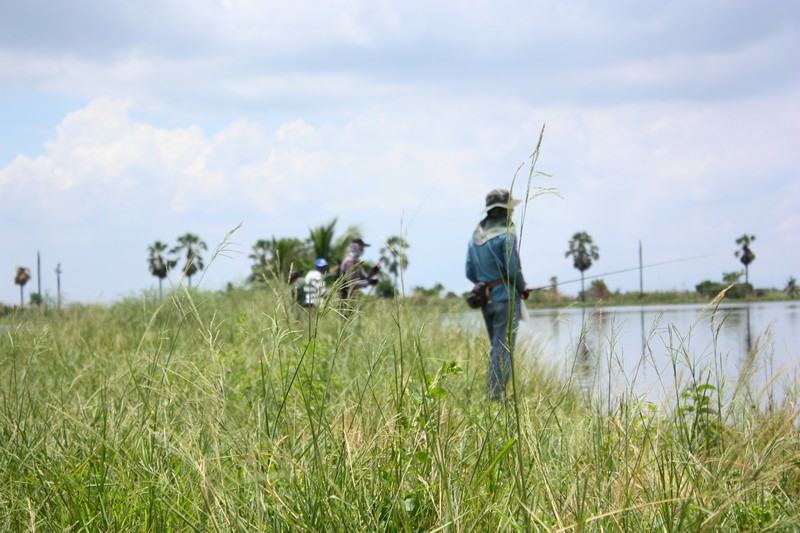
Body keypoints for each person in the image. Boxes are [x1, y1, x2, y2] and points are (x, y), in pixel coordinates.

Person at [465, 189, 530, 400]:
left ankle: (494, 394)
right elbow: (513, 269)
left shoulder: (475, 237)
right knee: (503, 350)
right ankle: (496, 398)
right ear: (505, 210)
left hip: (486, 300)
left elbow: (470, 272)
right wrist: (522, 288)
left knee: (496, 347)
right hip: (506, 298)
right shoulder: (507, 234)